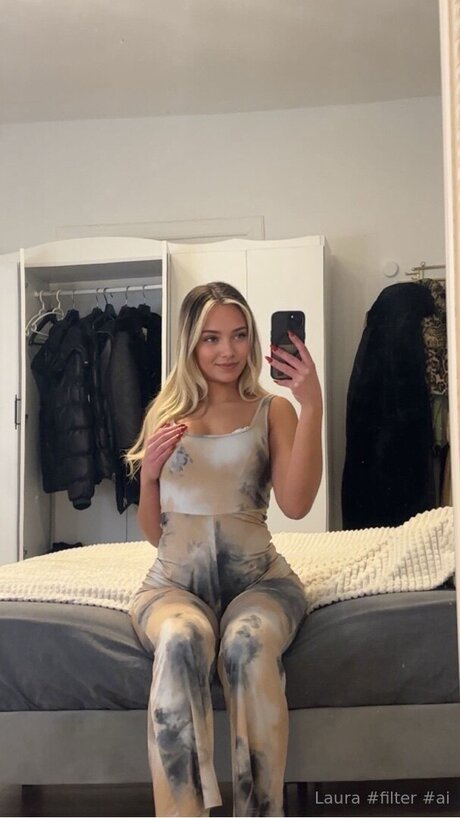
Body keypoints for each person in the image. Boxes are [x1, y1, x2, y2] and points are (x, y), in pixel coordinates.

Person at [125, 281, 323, 817]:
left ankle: (259, 810)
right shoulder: (165, 415)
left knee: (246, 644)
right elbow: (155, 533)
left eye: (239, 335)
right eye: (211, 338)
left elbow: (297, 504)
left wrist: (311, 404)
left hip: (260, 584)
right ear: (190, 343)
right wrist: (149, 477)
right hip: (174, 588)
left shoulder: (272, 411)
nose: (228, 351)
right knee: (180, 639)